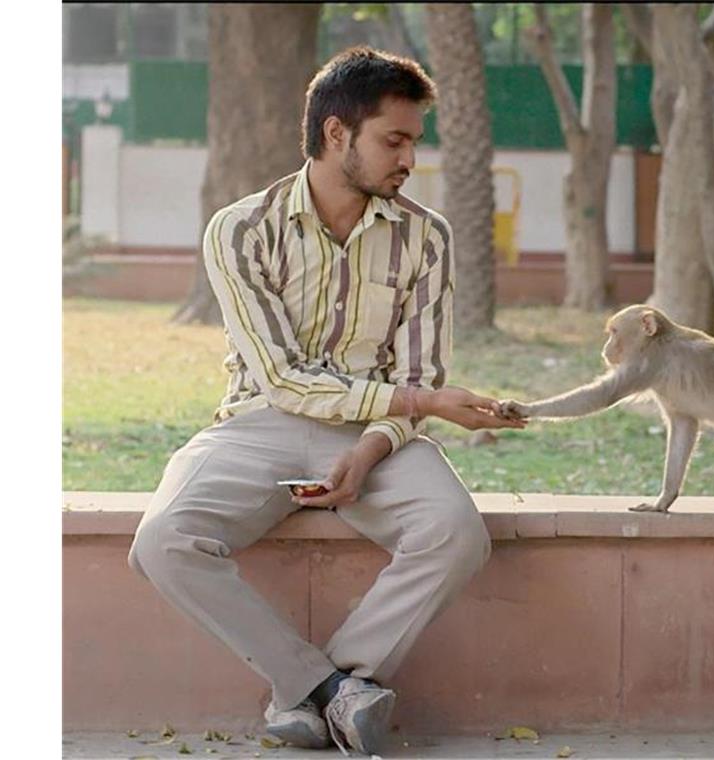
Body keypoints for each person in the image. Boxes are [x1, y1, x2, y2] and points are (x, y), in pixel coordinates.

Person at [128, 47, 523, 755]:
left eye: (413, 141)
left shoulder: (426, 238)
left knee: (456, 532)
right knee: (163, 541)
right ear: (337, 134)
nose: (408, 159)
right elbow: (280, 376)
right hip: (260, 422)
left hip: (376, 431)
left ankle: (317, 691)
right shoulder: (242, 229)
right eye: (393, 140)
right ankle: (335, 693)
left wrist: (373, 446)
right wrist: (424, 399)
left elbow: (421, 366)